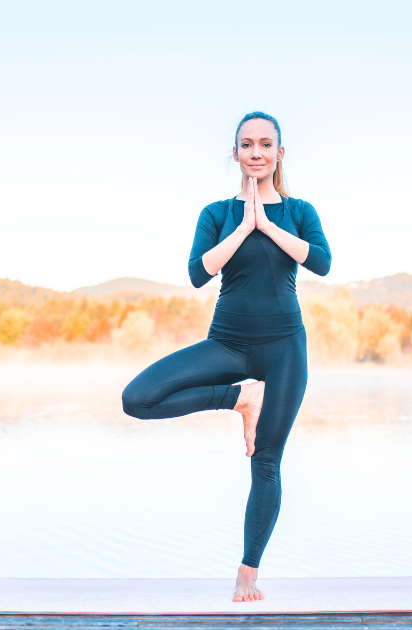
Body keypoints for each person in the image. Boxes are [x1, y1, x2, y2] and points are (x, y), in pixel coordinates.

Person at [121, 111, 331, 602]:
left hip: (284, 350)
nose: (255, 152)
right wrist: (244, 226)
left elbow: (320, 261)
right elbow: (199, 273)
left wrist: (268, 224)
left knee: (267, 462)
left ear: (279, 154)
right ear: (235, 153)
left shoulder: (299, 211)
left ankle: (248, 571)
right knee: (138, 398)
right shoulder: (216, 213)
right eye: (246, 144)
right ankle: (238, 399)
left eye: (265, 144)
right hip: (227, 343)